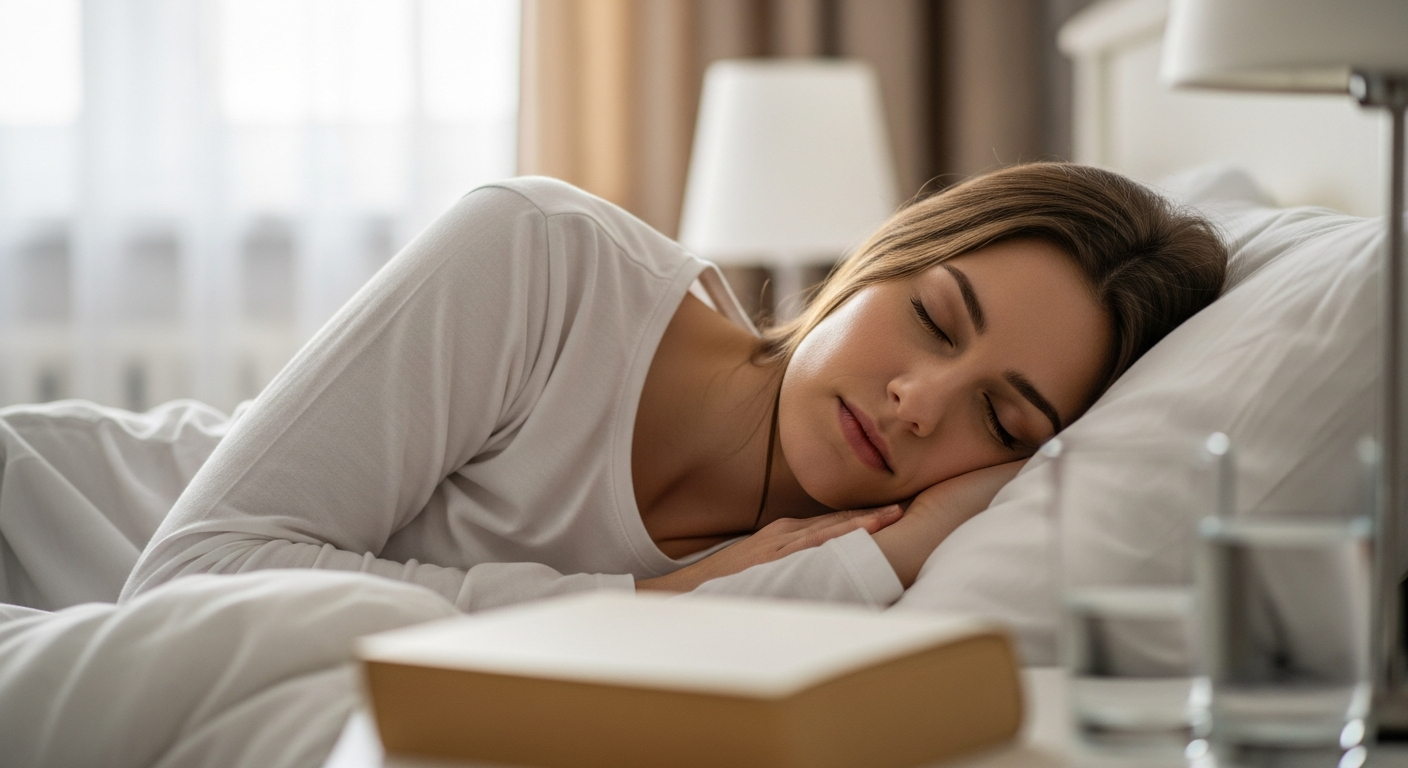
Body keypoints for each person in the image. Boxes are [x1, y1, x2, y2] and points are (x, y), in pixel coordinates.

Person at [121, 162, 1227, 610]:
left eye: (1000, 414)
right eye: (932, 318)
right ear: (876, 262)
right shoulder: (544, 260)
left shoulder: (845, 568)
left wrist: (900, 546)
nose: (918, 404)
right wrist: (645, 606)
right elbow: (197, 571)